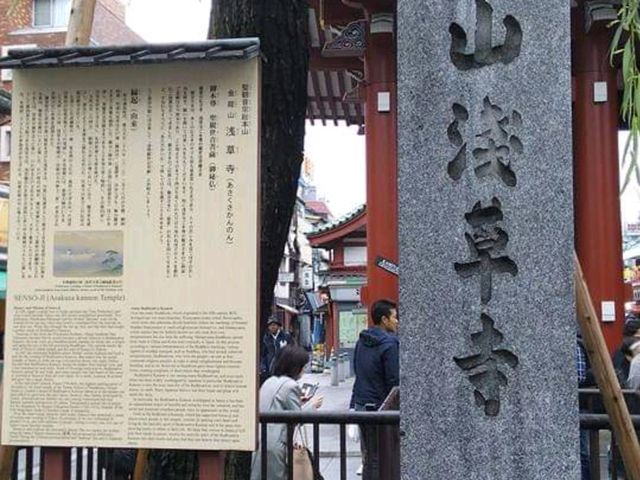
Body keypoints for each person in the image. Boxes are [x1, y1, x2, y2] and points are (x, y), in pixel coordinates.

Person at [250, 346, 323, 480]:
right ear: (295, 367)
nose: (303, 370)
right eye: (302, 366)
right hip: (275, 445)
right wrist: (313, 406)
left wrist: (299, 402)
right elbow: (297, 418)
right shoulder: (290, 386)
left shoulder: (269, 381)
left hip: (261, 440)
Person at [349, 299, 399, 480]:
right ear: (384, 320)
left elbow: (358, 375)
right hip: (381, 407)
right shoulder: (390, 345)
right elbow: (394, 381)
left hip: (362, 405)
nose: (397, 321)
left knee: (369, 456)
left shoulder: (361, 341)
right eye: (395, 317)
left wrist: (353, 405)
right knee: (384, 455)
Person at [260, 316, 293, 383]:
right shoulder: (266, 338)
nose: (272, 327)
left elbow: (292, 350)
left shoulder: (286, 336)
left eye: (274, 325)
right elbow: (264, 354)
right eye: (270, 325)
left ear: (278, 326)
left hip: (284, 365)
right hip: (271, 366)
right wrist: (263, 366)